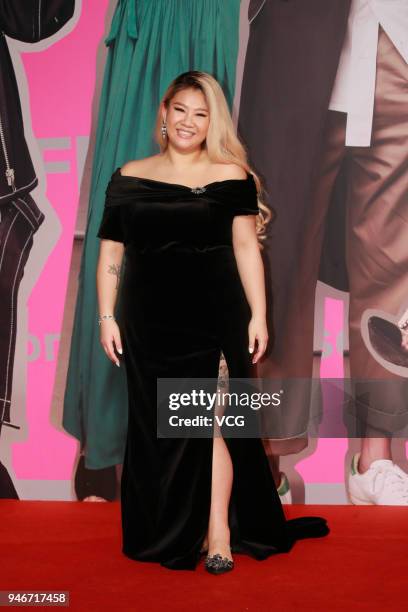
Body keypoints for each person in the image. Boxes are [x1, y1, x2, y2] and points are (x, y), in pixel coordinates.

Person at [95, 70, 328, 573]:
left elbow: (247, 249)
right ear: (163, 112)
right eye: (180, 110)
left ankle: (219, 533)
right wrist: (106, 316)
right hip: (148, 320)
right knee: (163, 431)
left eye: (200, 114)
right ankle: (179, 529)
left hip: (215, 314)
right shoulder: (129, 176)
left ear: (212, 122)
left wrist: (259, 315)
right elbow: (112, 251)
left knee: (213, 423)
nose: (188, 122)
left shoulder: (231, 177)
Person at [238, 0, 408, 506]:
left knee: (392, 263)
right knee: (276, 256)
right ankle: (263, 456)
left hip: (397, 41)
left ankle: (374, 459)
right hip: (299, 36)